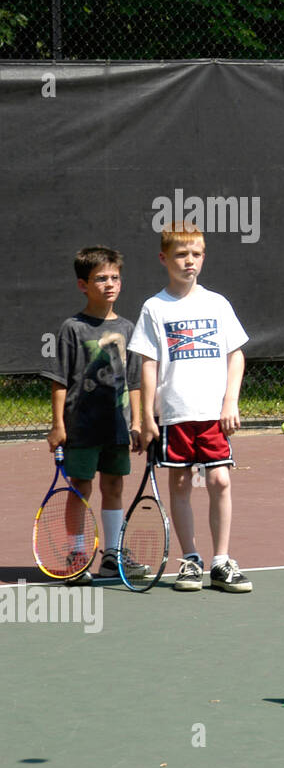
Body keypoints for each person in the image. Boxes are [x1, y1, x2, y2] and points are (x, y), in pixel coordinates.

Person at [130, 221, 252, 592]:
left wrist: (230, 401)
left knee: (219, 479)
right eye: (181, 255)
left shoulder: (217, 304)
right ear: (163, 258)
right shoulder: (154, 307)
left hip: (213, 414)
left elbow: (236, 356)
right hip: (174, 414)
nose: (189, 262)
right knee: (180, 483)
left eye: (196, 254)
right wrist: (147, 416)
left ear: (204, 258)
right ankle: (190, 560)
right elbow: (147, 364)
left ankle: (221, 561)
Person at [42, 246, 146, 581]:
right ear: (83, 285)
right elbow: (59, 381)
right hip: (82, 428)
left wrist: (139, 423)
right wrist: (58, 425)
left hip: (116, 428)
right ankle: (77, 555)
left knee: (114, 486)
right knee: (80, 488)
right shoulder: (72, 328)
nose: (109, 283)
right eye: (101, 278)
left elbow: (134, 382)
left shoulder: (129, 328)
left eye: (115, 277)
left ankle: (112, 555)